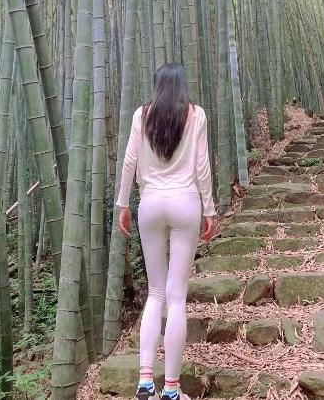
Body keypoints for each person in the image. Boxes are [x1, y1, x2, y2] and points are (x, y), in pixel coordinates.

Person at [116, 63, 217, 400]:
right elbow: (201, 166)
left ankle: (145, 381)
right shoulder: (196, 114)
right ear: (182, 85)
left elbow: (129, 161)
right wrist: (210, 208)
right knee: (176, 297)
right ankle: (171, 390)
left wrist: (123, 204)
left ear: (157, 85)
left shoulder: (141, 114)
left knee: (155, 293)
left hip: (150, 204)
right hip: (185, 202)